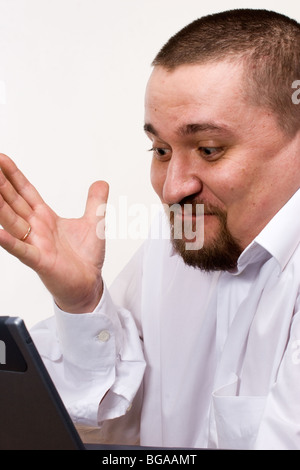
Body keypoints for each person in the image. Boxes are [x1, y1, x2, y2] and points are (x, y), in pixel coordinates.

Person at [0, 8, 300, 450]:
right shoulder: (179, 242)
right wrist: (82, 302)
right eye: (160, 149)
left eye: (209, 149)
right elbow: (109, 422)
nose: (173, 188)